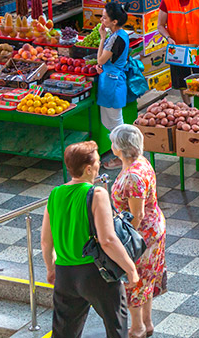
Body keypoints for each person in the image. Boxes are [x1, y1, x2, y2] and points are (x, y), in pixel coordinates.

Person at [42, 141, 139, 338]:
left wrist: (51, 269)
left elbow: (45, 241)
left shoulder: (55, 194)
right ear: (88, 168)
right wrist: (130, 269)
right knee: (116, 327)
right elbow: (107, 240)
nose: (98, 166)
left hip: (65, 274)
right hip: (95, 273)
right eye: (96, 162)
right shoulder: (96, 193)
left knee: (64, 333)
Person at [109, 125, 166, 338]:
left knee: (135, 279)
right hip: (153, 229)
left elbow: (137, 214)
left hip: (141, 235)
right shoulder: (141, 162)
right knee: (147, 277)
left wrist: (124, 241)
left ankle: (137, 328)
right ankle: (147, 323)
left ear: (119, 147)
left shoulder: (133, 175)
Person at [94, 1, 132, 170]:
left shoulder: (114, 38)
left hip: (112, 83)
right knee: (110, 122)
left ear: (114, 22)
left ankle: (124, 158)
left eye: (104, 18)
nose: (102, 20)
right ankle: (122, 154)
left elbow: (101, 59)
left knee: (117, 123)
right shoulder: (122, 34)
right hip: (111, 81)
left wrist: (102, 38)